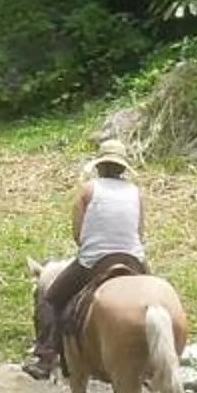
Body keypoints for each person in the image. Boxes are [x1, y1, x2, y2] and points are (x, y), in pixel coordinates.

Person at [24, 144, 148, 379]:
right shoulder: (136, 192)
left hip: (94, 261)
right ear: (123, 169)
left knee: (51, 299)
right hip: (133, 259)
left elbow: (78, 234)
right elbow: (140, 233)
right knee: (156, 300)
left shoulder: (88, 190)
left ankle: (46, 356)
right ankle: (163, 361)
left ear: (99, 166)